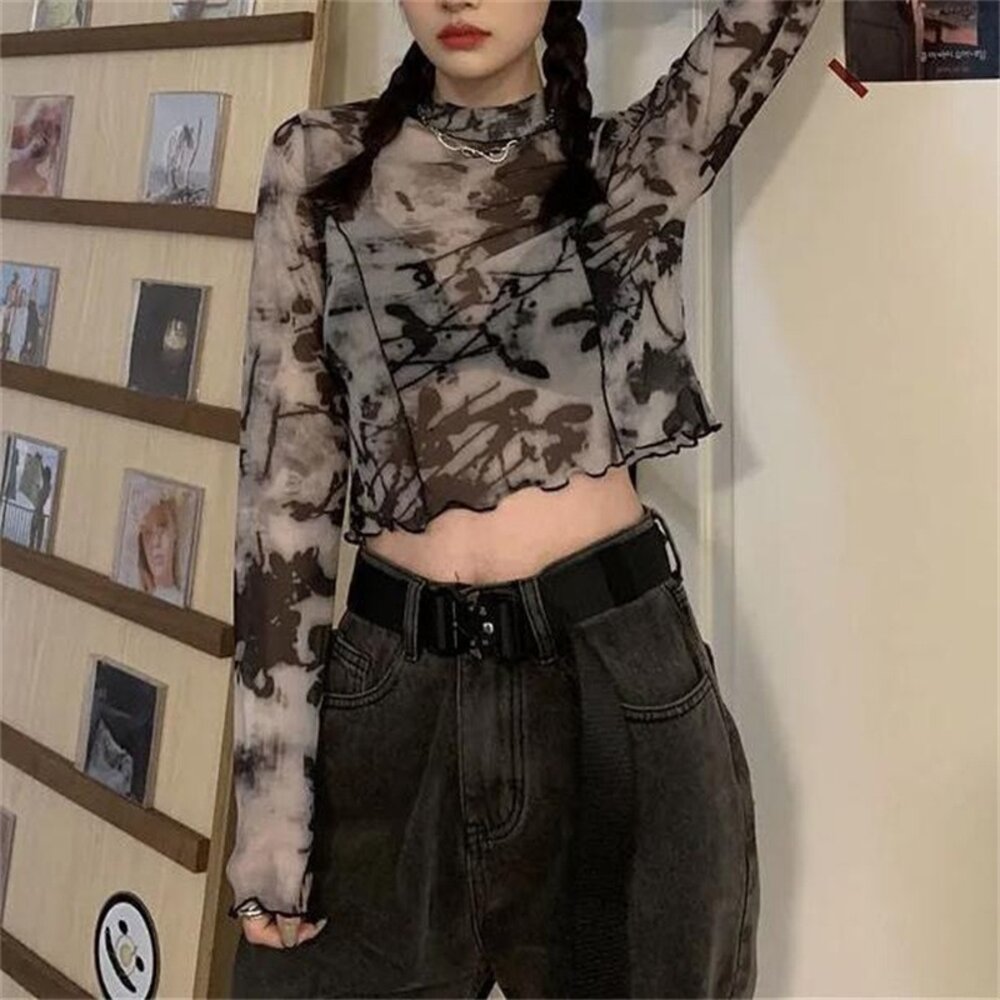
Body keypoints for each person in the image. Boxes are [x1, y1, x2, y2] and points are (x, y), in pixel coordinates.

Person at [225, 0, 825, 996]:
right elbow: (281, 489)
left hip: (614, 690)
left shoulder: (629, 158)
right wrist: (268, 803)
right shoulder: (320, 166)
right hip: (392, 699)